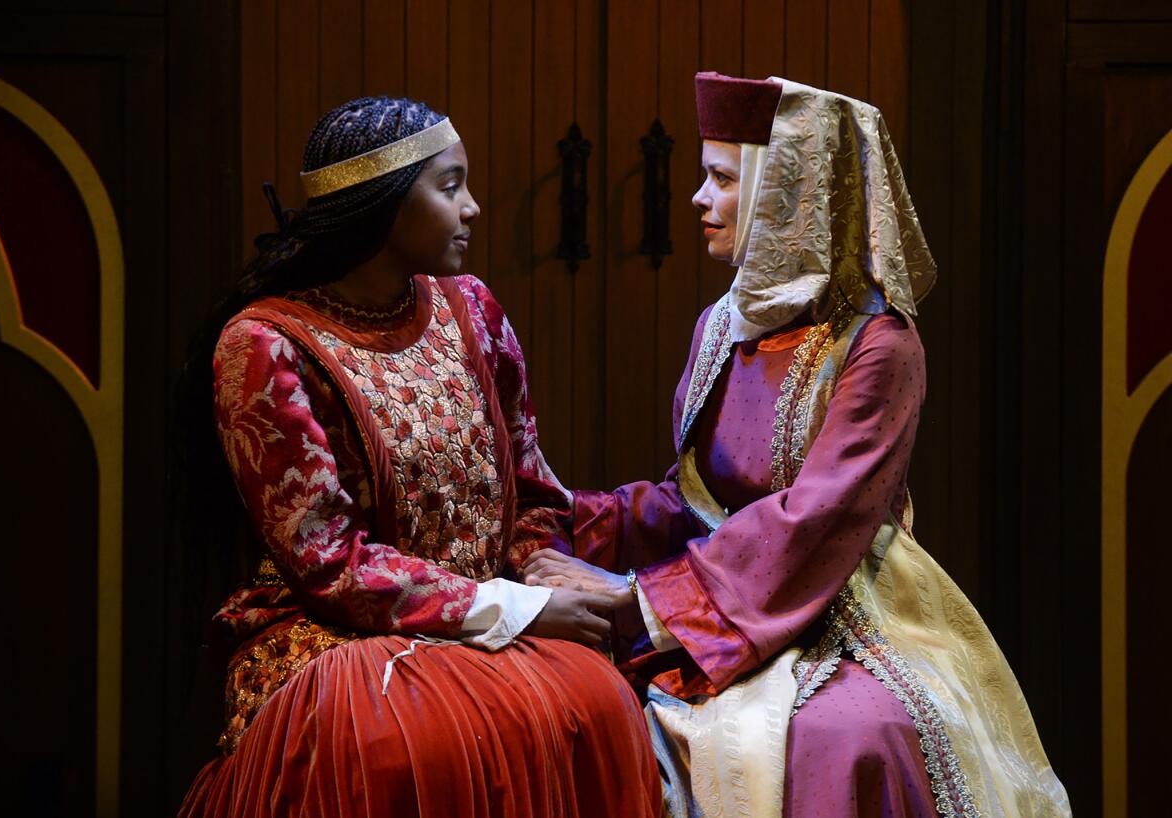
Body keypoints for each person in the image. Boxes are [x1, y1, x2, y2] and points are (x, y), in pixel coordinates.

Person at [522, 73, 1071, 818]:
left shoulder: (878, 343)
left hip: (851, 595)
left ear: (788, 191)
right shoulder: (725, 324)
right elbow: (696, 499)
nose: (696, 198)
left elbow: (822, 516)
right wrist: (567, 522)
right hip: (723, 591)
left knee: (848, 736)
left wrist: (636, 601)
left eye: (720, 178)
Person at [176, 96, 662, 817]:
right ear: (385, 204)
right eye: (449, 185)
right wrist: (514, 608)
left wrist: (542, 572)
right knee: (409, 740)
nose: (471, 208)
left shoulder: (472, 307)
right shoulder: (265, 343)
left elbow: (530, 491)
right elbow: (328, 563)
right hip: (335, 630)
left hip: (489, 609)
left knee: (599, 697)